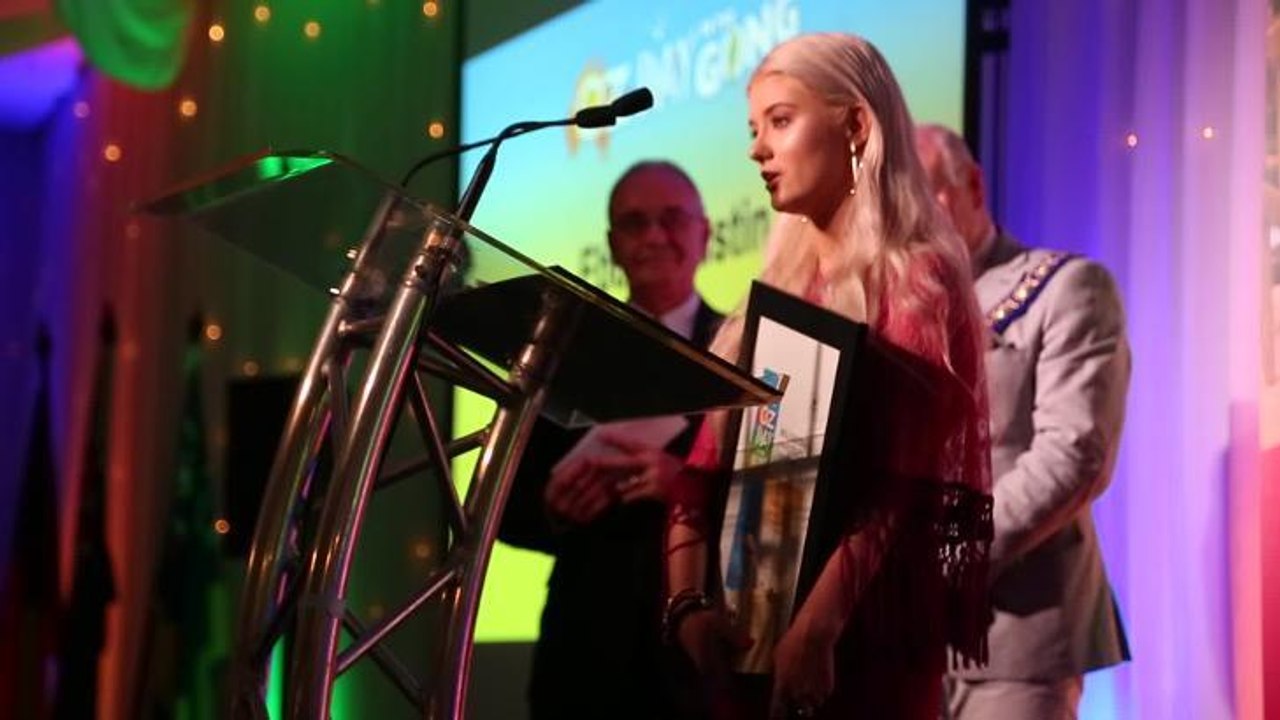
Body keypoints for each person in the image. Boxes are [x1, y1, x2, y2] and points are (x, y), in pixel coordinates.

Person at [658, 33, 994, 720]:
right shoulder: (771, 291)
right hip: (748, 640)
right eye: (755, 130)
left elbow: (903, 489)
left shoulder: (919, 277)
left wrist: (816, 628)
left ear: (857, 125)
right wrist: (688, 606)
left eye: (780, 121)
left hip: (859, 651)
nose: (757, 149)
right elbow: (700, 474)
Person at [915, 124, 1130, 719]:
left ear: (973, 186)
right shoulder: (886, 309)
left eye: (924, 193)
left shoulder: (1065, 287)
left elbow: (1074, 455)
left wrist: (945, 559)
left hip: (1018, 634)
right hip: (899, 641)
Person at [498, 160, 723, 720]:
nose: (653, 236)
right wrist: (551, 506)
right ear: (612, 244)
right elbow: (505, 507)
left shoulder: (741, 352)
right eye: (634, 223)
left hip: (697, 665)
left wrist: (686, 486)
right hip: (582, 664)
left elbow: (776, 505)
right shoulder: (566, 356)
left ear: (706, 234)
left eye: (672, 219)